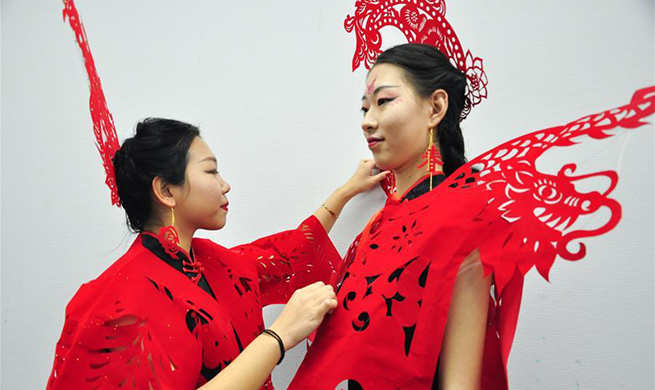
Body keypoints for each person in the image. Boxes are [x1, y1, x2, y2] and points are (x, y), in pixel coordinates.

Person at [45, 118, 389, 390]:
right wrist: (279, 336)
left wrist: (347, 191)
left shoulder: (212, 263)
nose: (224, 184)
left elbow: (288, 250)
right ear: (166, 190)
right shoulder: (121, 303)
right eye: (211, 170)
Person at [288, 43, 504, 390]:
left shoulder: (464, 219)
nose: (367, 121)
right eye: (364, 108)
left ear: (435, 107)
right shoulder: (379, 221)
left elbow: (460, 380)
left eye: (383, 101)